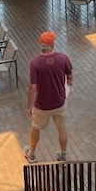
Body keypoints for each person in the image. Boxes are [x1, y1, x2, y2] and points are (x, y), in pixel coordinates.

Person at [24, 31, 73, 163]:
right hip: (59, 102)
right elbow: (69, 76)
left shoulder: (35, 63)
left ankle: (31, 154)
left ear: (40, 44)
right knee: (61, 128)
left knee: (35, 128)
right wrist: (69, 82)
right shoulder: (63, 58)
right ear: (53, 44)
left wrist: (29, 107)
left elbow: (33, 88)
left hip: (42, 105)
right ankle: (63, 154)